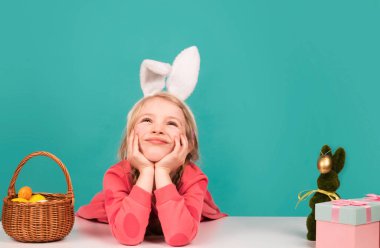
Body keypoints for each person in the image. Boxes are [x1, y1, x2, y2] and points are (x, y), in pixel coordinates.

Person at [76, 46, 227, 246]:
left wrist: (162, 172)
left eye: (171, 123)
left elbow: (179, 237)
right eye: (147, 120)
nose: (158, 129)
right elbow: (128, 237)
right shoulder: (116, 176)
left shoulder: (193, 178)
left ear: (189, 143)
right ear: (130, 137)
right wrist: (147, 172)